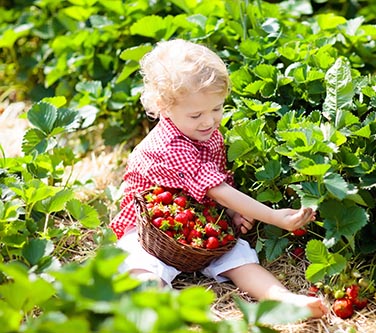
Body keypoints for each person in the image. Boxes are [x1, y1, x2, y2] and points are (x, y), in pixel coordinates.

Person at [109, 39, 327, 319]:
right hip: (152, 228)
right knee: (142, 268)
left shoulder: (207, 132)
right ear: (164, 107)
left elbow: (217, 180)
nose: (209, 121)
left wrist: (233, 211)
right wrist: (275, 217)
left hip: (203, 224)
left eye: (217, 109)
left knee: (240, 258)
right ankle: (161, 307)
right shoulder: (170, 145)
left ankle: (283, 299)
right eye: (196, 114)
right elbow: (218, 189)